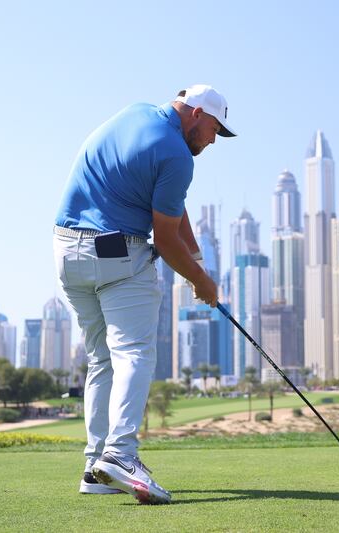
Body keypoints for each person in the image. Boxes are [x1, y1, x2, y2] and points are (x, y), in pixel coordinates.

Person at [53, 85, 235, 504]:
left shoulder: (136, 114)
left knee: (102, 360)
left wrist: (195, 255)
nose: (212, 139)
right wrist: (200, 281)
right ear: (195, 114)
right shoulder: (177, 153)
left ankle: (96, 468)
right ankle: (120, 454)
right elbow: (165, 241)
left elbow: (168, 205)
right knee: (134, 352)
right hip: (114, 252)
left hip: (66, 251)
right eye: (213, 129)